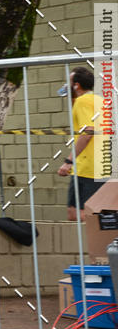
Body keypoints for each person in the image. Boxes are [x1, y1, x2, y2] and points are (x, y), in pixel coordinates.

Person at [57, 67, 104, 220]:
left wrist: (69, 161)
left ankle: (97, 243)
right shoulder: (97, 100)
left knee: (80, 214)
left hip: (88, 167)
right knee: (80, 213)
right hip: (100, 164)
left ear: (76, 85)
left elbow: (88, 131)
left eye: (69, 82)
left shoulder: (83, 102)